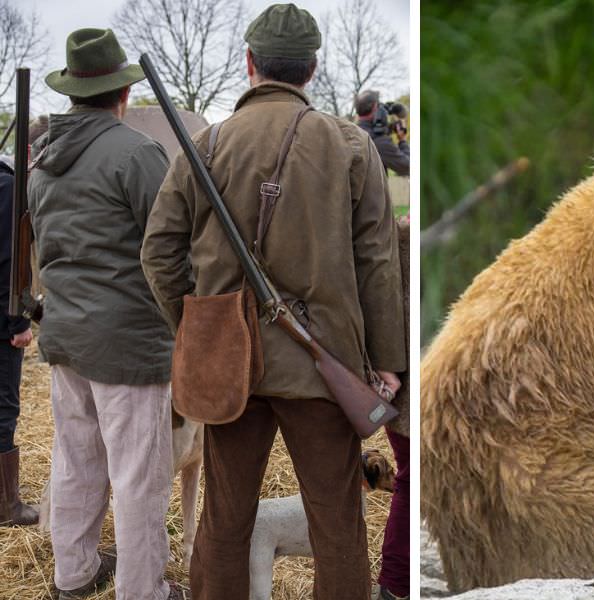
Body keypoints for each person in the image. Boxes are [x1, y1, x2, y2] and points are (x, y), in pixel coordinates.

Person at [141, 4, 406, 599]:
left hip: (230, 368)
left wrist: (198, 328)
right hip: (324, 365)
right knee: (338, 525)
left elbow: (158, 254)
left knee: (225, 522)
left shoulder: (205, 145)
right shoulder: (351, 147)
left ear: (250, 63)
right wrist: (387, 361)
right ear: (311, 69)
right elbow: (378, 263)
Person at [28, 29, 182, 599]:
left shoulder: (42, 164)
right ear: (121, 94)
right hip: (128, 343)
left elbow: (48, 253)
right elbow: (171, 246)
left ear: (74, 93)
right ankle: (144, 590)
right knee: (140, 479)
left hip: (66, 336)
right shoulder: (137, 154)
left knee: (75, 461)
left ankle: (74, 573)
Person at [374, 216, 410, 600]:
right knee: (410, 481)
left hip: (396, 386)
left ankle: (395, 583)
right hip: (403, 389)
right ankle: (396, 585)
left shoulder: (392, 238)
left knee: (408, 480)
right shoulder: (401, 240)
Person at [0, 154, 35, 528]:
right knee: (3, 408)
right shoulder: (9, 187)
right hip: (0, 324)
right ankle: (5, 506)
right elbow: (11, 261)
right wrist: (17, 322)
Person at [355, 90, 409, 176]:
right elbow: (408, 167)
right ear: (375, 107)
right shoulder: (377, 141)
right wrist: (402, 141)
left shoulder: (352, 134)